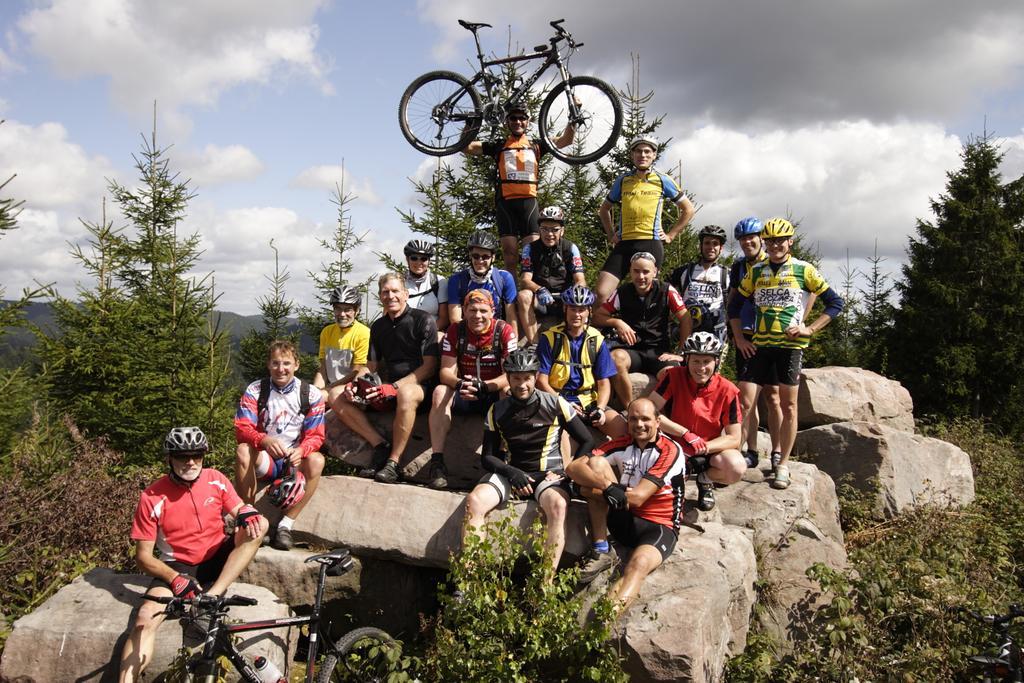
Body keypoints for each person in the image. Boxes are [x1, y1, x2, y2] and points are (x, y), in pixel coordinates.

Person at [119, 427, 268, 683]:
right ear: (170, 458)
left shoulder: (215, 479)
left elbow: (239, 509)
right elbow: (143, 557)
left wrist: (246, 511)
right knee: (144, 618)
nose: (190, 462)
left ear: (203, 456)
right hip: (178, 566)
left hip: (216, 556)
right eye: (182, 456)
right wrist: (175, 578)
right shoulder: (152, 496)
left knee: (260, 524)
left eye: (197, 456)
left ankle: (211, 596)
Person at [727, 218, 844, 489]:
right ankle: (739, 455)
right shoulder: (756, 271)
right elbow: (734, 308)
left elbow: (835, 303)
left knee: (788, 405)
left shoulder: (804, 270)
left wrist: (810, 329)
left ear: (790, 241)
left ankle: (782, 465)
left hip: (790, 348)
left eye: (780, 240)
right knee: (744, 403)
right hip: (759, 346)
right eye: (770, 241)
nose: (775, 245)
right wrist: (741, 338)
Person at [462, 348, 595, 579]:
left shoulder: (555, 403)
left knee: (558, 506)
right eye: (516, 378)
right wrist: (512, 472)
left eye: (527, 378)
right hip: (512, 473)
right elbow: (488, 457)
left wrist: (567, 473)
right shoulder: (497, 409)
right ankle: (469, 579)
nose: (522, 384)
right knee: (474, 500)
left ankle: (545, 582)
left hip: (549, 475)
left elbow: (587, 440)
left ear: (535, 377)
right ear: (509, 378)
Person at [565, 399, 684, 613]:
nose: (639, 424)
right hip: (623, 515)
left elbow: (638, 498)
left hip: (658, 525)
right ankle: (601, 548)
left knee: (637, 566)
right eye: (633, 419)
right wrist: (607, 486)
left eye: (646, 419)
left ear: (658, 422)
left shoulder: (670, 451)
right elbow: (573, 468)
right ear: (627, 421)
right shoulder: (621, 443)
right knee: (596, 464)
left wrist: (587, 491)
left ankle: (604, 621)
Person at [334, 273, 440, 484]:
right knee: (336, 394)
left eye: (395, 291)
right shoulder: (379, 326)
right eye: (385, 292)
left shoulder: (423, 320)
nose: (390, 296)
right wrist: (355, 385)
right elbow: (370, 366)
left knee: (407, 393)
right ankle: (380, 445)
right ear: (380, 296)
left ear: (405, 294)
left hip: (419, 387)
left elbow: (429, 367)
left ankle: (394, 463)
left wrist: (394, 387)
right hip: (386, 389)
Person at [464, 101, 577, 275]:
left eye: (522, 118)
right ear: (507, 121)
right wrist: (469, 123)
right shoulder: (499, 145)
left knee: (532, 255)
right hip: (505, 204)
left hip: (528, 203)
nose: (518, 122)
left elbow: (566, 140)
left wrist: (574, 115)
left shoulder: (538, 144)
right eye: (514, 118)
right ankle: (511, 297)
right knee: (510, 256)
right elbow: (467, 147)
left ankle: (532, 293)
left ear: (527, 121)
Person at [235, 340, 326, 550]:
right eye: (275, 363)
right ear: (268, 365)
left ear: (297, 365)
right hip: (265, 458)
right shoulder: (256, 389)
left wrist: (302, 450)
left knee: (317, 460)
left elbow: (317, 435)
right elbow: (242, 427)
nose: (281, 369)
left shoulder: (311, 394)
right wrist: (263, 440)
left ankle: (286, 524)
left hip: (294, 460)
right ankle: (250, 517)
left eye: (286, 363)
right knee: (242, 450)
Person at [427, 289, 517, 489]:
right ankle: (437, 462)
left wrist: (484, 386)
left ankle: (500, 459)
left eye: (483, 311)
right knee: (440, 391)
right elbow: (445, 373)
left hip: (491, 391)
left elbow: (510, 375)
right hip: (465, 390)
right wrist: (461, 384)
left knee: (509, 392)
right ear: (464, 311)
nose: (478, 316)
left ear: (492, 311)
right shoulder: (455, 330)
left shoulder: (504, 330)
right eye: (472, 310)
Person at [648, 332, 745, 512]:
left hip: (708, 447)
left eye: (706, 361)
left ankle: (705, 480)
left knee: (736, 466)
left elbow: (734, 438)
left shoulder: (728, 389)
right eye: (696, 361)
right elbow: (650, 412)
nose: (701, 368)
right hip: (676, 445)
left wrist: (704, 447)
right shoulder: (674, 376)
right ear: (687, 360)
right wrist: (685, 433)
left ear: (716, 361)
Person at [595, 135, 695, 304]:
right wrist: (611, 234)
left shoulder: (663, 180)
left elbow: (688, 209)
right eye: (638, 151)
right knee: (601, 293)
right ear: (632, 155)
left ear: (654, 155)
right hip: (624, 243)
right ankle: (601, 329)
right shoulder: (623, 180)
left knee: (647, 296)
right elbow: (604, 209)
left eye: (647, 151)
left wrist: (671, 235)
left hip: (650, 242)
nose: (643, 155)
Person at [593, 252, 688, 409]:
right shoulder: (622, 292)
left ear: (655, 272)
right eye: (636, 271)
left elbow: (685, 318)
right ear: (630, 271)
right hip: (632, 349)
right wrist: (617, 322)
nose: (641, 276)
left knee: (673, 374)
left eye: (646, 271)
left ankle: (659, 415)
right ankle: (630, 409)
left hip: (658, 351)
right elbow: (597, 317)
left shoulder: (666, 290)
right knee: (615, 359)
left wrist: (681, 352)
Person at [537, 285, 625, 438]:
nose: (577, 314)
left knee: (622, 429)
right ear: (565, 309)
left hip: (588, 400)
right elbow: (541, 381)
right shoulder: (549, 338)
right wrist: (562, 403)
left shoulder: (597, 340)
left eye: (581, 309)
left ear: (589, 311)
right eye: (573, 309)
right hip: (557, 399)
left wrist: (601, 409)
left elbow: (604, 382)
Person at [727, 216, 774, 468]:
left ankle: (777, 454)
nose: (747, 242)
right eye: (743, 239)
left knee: (774, 398)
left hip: (773, 335)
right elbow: (733, 300)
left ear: (761, 239)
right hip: (746, 335)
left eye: (751, 237)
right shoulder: (738, 267)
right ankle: (750, 449)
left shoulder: (775, 264)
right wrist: (736, 336)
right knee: (748, 399)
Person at [515, 205, 587, 347]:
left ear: (562, 231)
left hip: (564, 299)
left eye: (554, 229)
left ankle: (574, 340)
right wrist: (539, 289)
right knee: (523, 296)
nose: (549, 234)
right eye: (545, 229)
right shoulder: (529, 248)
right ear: (539, 230)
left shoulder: (570, 248)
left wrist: (572, 295)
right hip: (540, 299)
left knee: (584, 295)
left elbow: (581, 280)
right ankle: (534, 343)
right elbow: (525, 280)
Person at [669, 224, 730, 346]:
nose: (711, 247)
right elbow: (664, 296)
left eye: (715, 244)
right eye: (707, 243)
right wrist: (671, 324)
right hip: (688, 330)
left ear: (721, 248)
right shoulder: (683, 271)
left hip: (716, 332)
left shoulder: (727, 274)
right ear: (700, 246)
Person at [447, 229, 518, 327]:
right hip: (468, 333)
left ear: (493, 257)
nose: (480, 261)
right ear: (470, 256)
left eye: (485, 257)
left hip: (495, 333)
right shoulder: (457, 280)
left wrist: (512, 341)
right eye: (476, 256)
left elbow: (511, 317)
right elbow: (455, 320)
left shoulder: (504, 278)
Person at [314, 284, 370, 404]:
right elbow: (323, 368)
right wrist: (316, 389)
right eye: (338, 308)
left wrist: (327, 389)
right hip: (329, 388)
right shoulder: (327, 332)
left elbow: (356, 372)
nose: (342, 314)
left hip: (350, 388)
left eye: (347, 309)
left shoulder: (363, 333)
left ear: (357, 311)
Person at [403, 239, 449, 335]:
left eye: (424, 259)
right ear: (407, 259)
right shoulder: (399, 282)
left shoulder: (439, 282)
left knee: (440, 338)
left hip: (431, 333)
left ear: (429, 261)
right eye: (414, 258)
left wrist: (426, 333)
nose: (419, 262)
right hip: (403, 334)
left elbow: (444, 318)